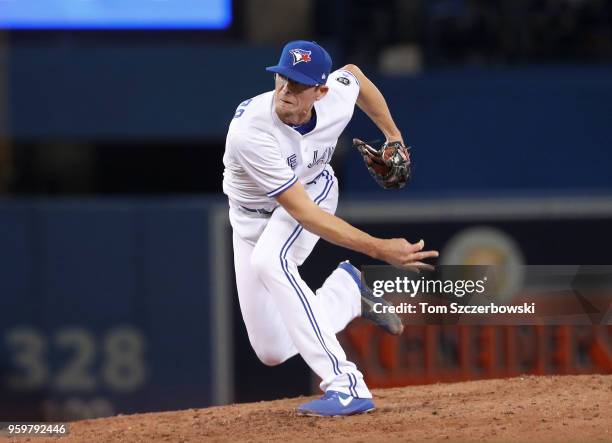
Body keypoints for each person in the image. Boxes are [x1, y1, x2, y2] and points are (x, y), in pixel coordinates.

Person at [222, 40, 438, 417]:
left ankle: (345, 385)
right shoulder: (252, 132)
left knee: (271, 262)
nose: (287, 90)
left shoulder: (334, 97)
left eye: (299, 83)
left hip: (315, 191)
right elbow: (303, 215)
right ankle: (346, 293)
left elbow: (355, 76)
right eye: (283, 78)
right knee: (271, 350)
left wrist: (394, 137)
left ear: (321, 91)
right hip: (254, 219)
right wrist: (378, 248)